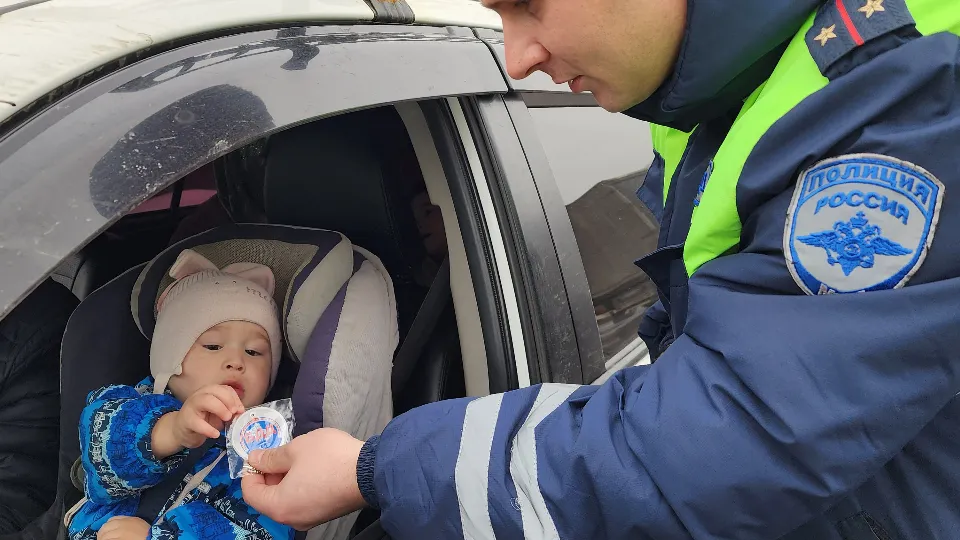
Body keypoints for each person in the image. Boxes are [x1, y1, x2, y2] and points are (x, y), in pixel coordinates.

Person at [242, 0, 960, 538]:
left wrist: (372, 470)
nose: (516, 58)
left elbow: (724, 441)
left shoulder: (900, 96)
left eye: (526, 4)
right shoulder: (737, 95)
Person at [67, 249, 293, 540]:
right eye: (213, 346)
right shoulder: (128, 403)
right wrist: (170, 430)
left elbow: (261, 531)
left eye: (254, 352)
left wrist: (161, 537)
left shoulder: (264, 450)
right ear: (169, 356)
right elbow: (100, 456)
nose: (237, 362)